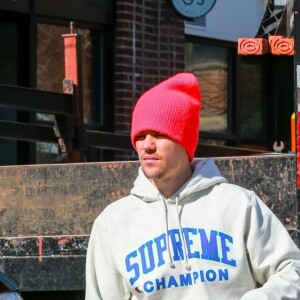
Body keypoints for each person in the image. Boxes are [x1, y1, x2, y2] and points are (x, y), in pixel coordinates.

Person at [85, 72, 300, 300]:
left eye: (159, 134)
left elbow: (292, 271)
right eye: (140, 136)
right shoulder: (112, 223)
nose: (146, 145)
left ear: (184, 141)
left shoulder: (238, 206)